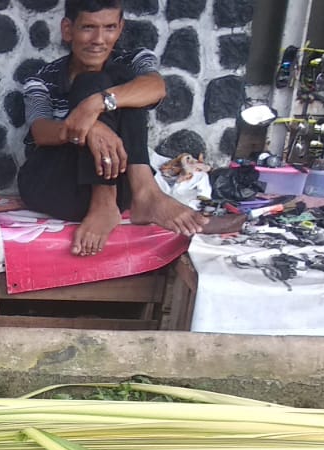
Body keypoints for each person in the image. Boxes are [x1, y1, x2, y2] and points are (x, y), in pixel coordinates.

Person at [16, 0, 223, 258]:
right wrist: (84, 128)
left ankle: (145, 195)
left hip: (122, 189)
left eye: (110, 27)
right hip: (53, 185)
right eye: (88, 28)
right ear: (68, 29)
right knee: (94, 81)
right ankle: (105, 201)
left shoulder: (133, 61)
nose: (99, 39)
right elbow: (40, 131)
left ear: (120, 27)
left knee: (128, 87)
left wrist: (94, 105)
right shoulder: (43, 79)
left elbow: (156, 88)